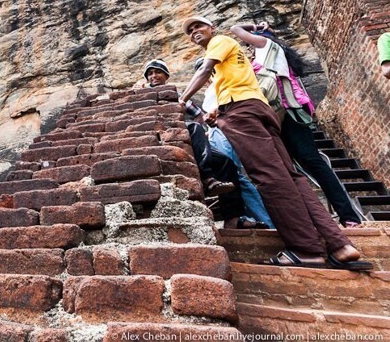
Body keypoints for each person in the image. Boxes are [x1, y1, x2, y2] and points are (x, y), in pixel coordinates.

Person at [178, 15, 370, 270]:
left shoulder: (219, 42)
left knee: (268, 176)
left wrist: (182, 99)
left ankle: (306, 250)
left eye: (198, 26)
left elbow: (204, 70)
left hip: (241, 113)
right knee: (293, 177)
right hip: (258, 110)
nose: (194, 32)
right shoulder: (232, 57)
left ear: (211, 28)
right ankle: (340, 245)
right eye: (190, 31)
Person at [231, 22, 362, 228]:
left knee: (312, 162)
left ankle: (349, 216)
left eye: (250, 41)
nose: (248, 46)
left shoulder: (267, 46)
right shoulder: (264, 57)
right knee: (297, 167)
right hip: (277, 116)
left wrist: (253, 26)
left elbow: (235, 29)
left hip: (288, 112)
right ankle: (329, 218)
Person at [143, 59, 264, 229]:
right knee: (192, 127)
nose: (153, 76)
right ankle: (207, 177)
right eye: (150, 73)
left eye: (157, 72)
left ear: (166, 76)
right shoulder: (142, 94)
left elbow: (198, 114)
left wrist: (203, 130)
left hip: (182, 138)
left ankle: (233, 218)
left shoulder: (176, 95)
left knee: (226, 163)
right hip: (157, 138)